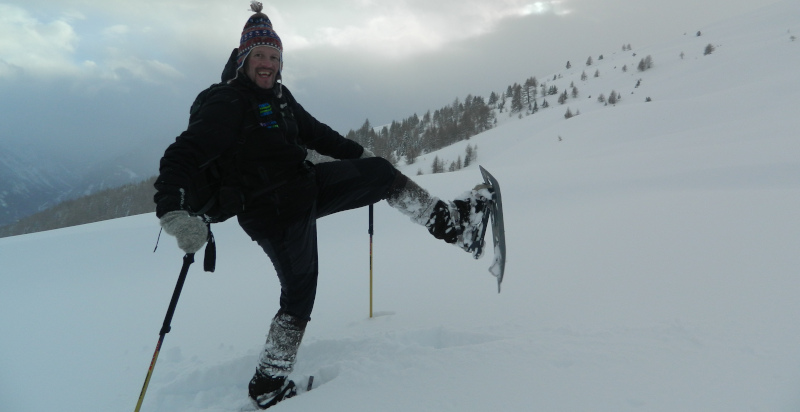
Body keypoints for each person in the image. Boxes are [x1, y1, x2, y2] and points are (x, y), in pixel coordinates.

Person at [154, 2, 491, 408]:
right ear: (244, 59)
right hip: (272, 214)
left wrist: (360, 155)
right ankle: (268, 385)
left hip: (305, 186)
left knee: (381, 174)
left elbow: (317, 134)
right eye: (259, 55)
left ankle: (455, 226)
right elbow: (181, 155)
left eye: (274, 56)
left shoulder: (280, 97)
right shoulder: (227, 103)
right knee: (299, 296)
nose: (267, 64)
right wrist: (172, 213)